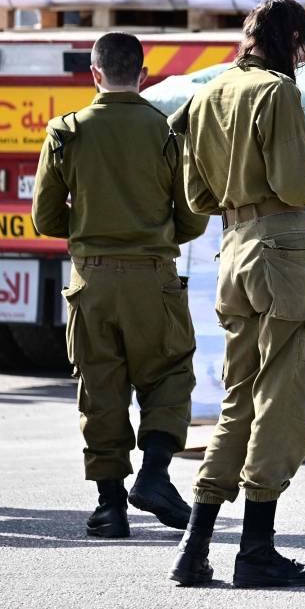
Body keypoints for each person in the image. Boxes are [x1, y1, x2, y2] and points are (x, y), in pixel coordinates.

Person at [165, 0, 305, 589]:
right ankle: (257, 548)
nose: (304, 59)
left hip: (231, 249)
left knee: (238, 396)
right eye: (302, 47)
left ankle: (195, 547)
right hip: (282, 249)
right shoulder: (276, 93)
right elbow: (292, 184)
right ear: (287, 40)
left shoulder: (207, 93)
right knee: (282, 395)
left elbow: (198, 197)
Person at [32, 32, 208, 539]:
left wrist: (91, 230)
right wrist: (150, 235)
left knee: (100, 388)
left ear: (95, 74)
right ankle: (154, 475)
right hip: (153, 279)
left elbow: (45, 218)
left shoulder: (65, 131)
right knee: (170, 374)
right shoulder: (166, 133)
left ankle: (110, 508)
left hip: (91, 280)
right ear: (143, 74)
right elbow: (193, 216)